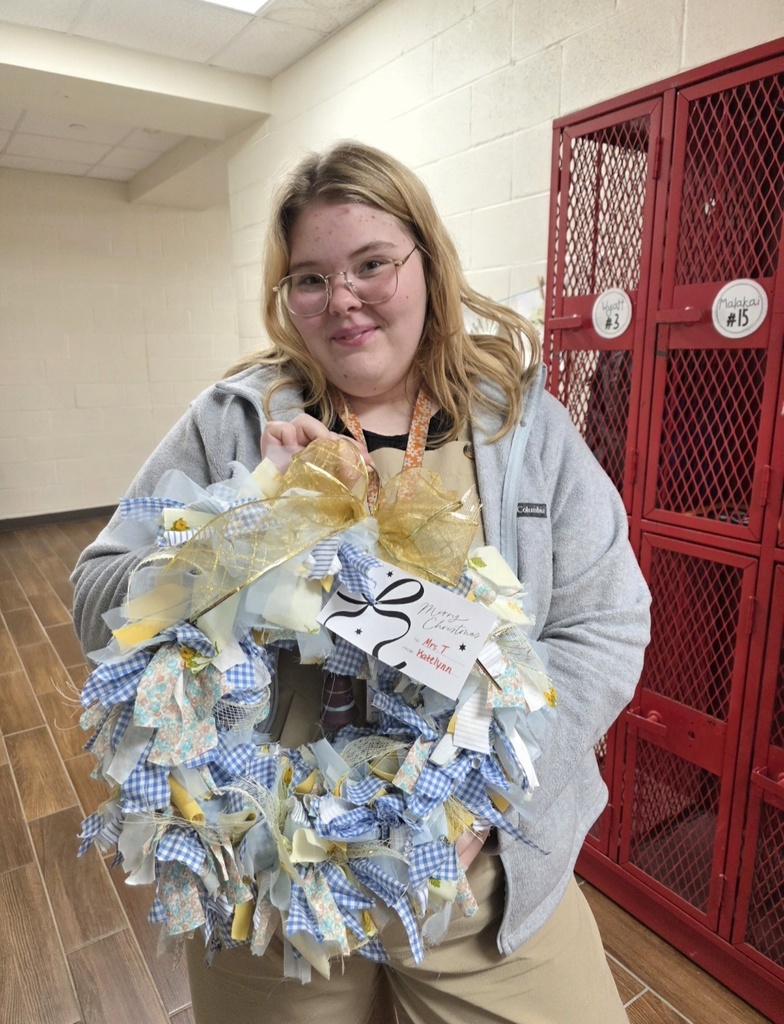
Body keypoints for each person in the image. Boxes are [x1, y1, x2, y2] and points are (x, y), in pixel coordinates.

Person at [72, 140, 651, 1024]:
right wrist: (257, 522)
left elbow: (606, 626)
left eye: (372, 264)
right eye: (310, 277)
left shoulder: (523, 429)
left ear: (427, 260)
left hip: (476, 880)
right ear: (286, 297)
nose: (341, 300)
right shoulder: (233, 422)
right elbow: (95, 597)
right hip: (270, 887)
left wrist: (486, 804)